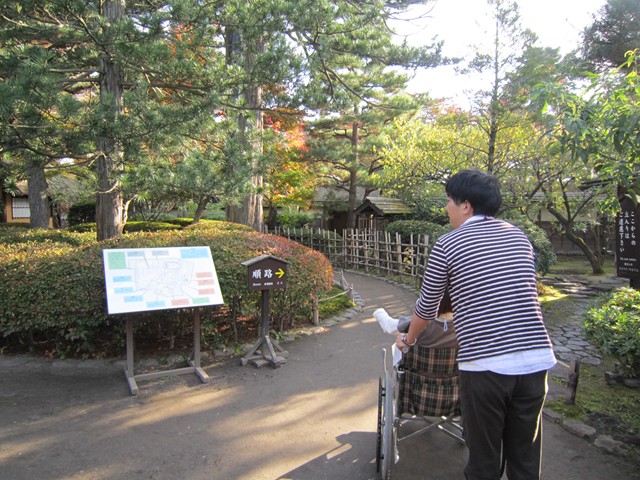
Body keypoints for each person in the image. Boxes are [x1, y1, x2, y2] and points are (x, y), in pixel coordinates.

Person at [395, 169, 556, 480]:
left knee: (484, 462)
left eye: (449, 201)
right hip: (536, 361)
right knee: (525, 461)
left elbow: (427, 308)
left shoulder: (448, 244)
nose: (446, 208)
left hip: (486, 368)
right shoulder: (519, 237)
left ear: (466, 205)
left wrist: (409, 341)